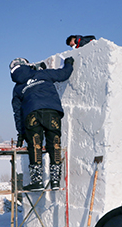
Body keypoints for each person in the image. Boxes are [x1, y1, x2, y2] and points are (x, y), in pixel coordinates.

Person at [10, 56, 74, 191]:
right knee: (55, 143)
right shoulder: (42, 74)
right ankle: (55, 180)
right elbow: (63, 74)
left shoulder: (17, 88)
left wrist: (21, 134)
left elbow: (17, 113)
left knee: (35, 145)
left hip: (31, 114)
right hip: (52, 112)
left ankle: (37, 181)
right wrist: (68, 63)